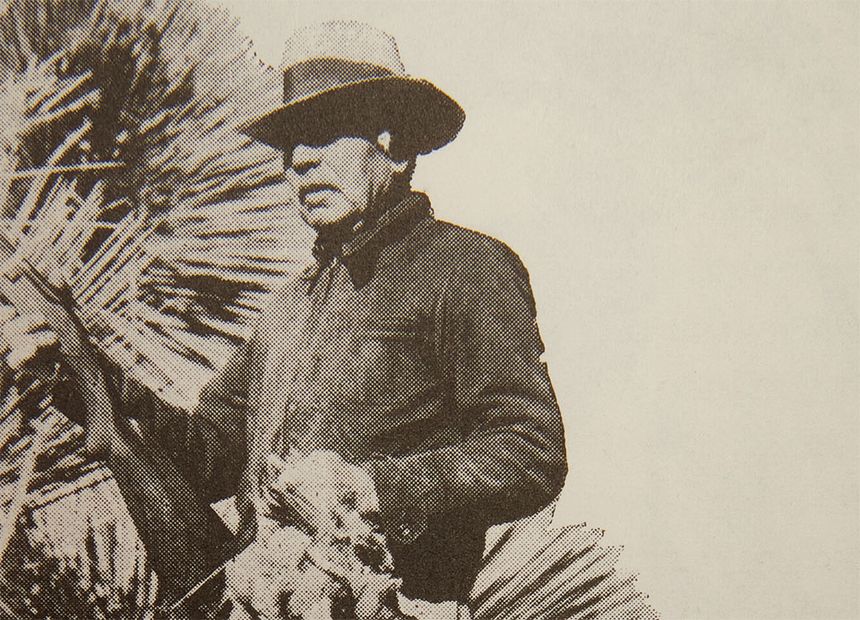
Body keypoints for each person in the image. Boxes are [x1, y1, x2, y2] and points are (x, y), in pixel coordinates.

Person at [0, 20, 567, 610]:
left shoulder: (466, 268)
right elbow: (211, 455)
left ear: (394, 144)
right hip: (260, 598)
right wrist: (81, 363)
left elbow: (530, 451)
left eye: (324, 134)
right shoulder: (286, 304)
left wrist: (372, 488)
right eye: (293, 141)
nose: (300, 160)